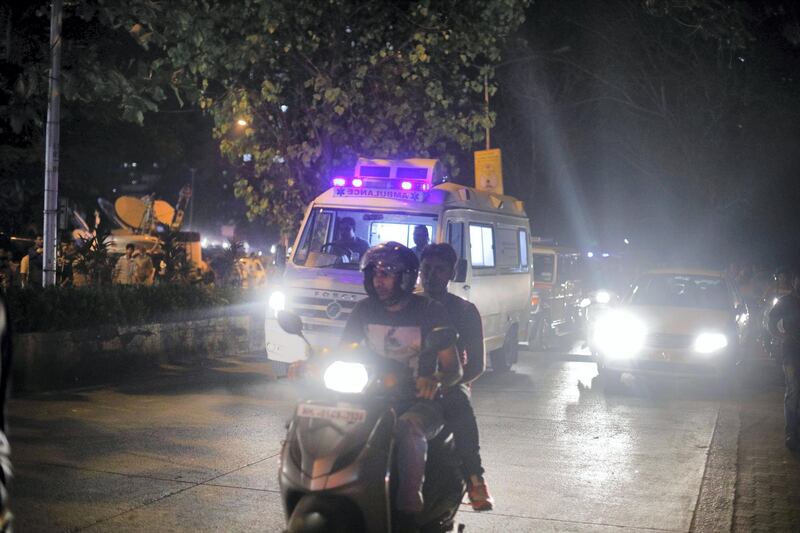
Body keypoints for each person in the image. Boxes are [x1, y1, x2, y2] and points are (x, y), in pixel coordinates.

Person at [340, 242, 462, 529]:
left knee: (408, 428)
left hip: (420, 401)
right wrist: (310, 365)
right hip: (370, 398)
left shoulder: (430, 311)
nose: (378, 280)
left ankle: (408, 507)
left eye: (387, 273)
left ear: (406, 277)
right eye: (374, 273)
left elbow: (454, 369)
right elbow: (343, 352)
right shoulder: (362, 311)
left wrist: (435, 380)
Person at [419, 243, 494, 511]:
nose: (430, 275)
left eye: (439, 270)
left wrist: (446, 381)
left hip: (451, 383)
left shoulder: (464, 311)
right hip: (405, 383)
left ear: (451, 273)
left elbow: (476, 365)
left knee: (459, 408)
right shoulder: (409, 307)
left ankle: (475, 479)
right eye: (426, 268)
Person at [768, 267, 800, 450]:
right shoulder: (786, 301)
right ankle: (791, 433)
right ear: (794, 282)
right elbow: (771, 321)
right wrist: (780, 336)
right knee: (794, 391)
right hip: (791, 353)